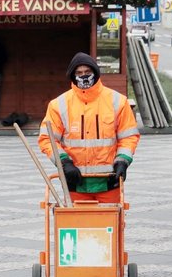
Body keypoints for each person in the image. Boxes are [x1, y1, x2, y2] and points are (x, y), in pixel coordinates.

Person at [38, 51, 139, 205]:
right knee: (76, 227)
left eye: (87, 72)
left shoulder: (118, 101)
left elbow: (128, 137)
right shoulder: (59, 105)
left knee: (110, 227)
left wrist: (123, 160)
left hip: (108, 182)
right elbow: (47, 139)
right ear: (72, 75)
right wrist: (64, 163)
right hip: (75, 182)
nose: (83, 76)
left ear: (95, 73)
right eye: (78, 73)